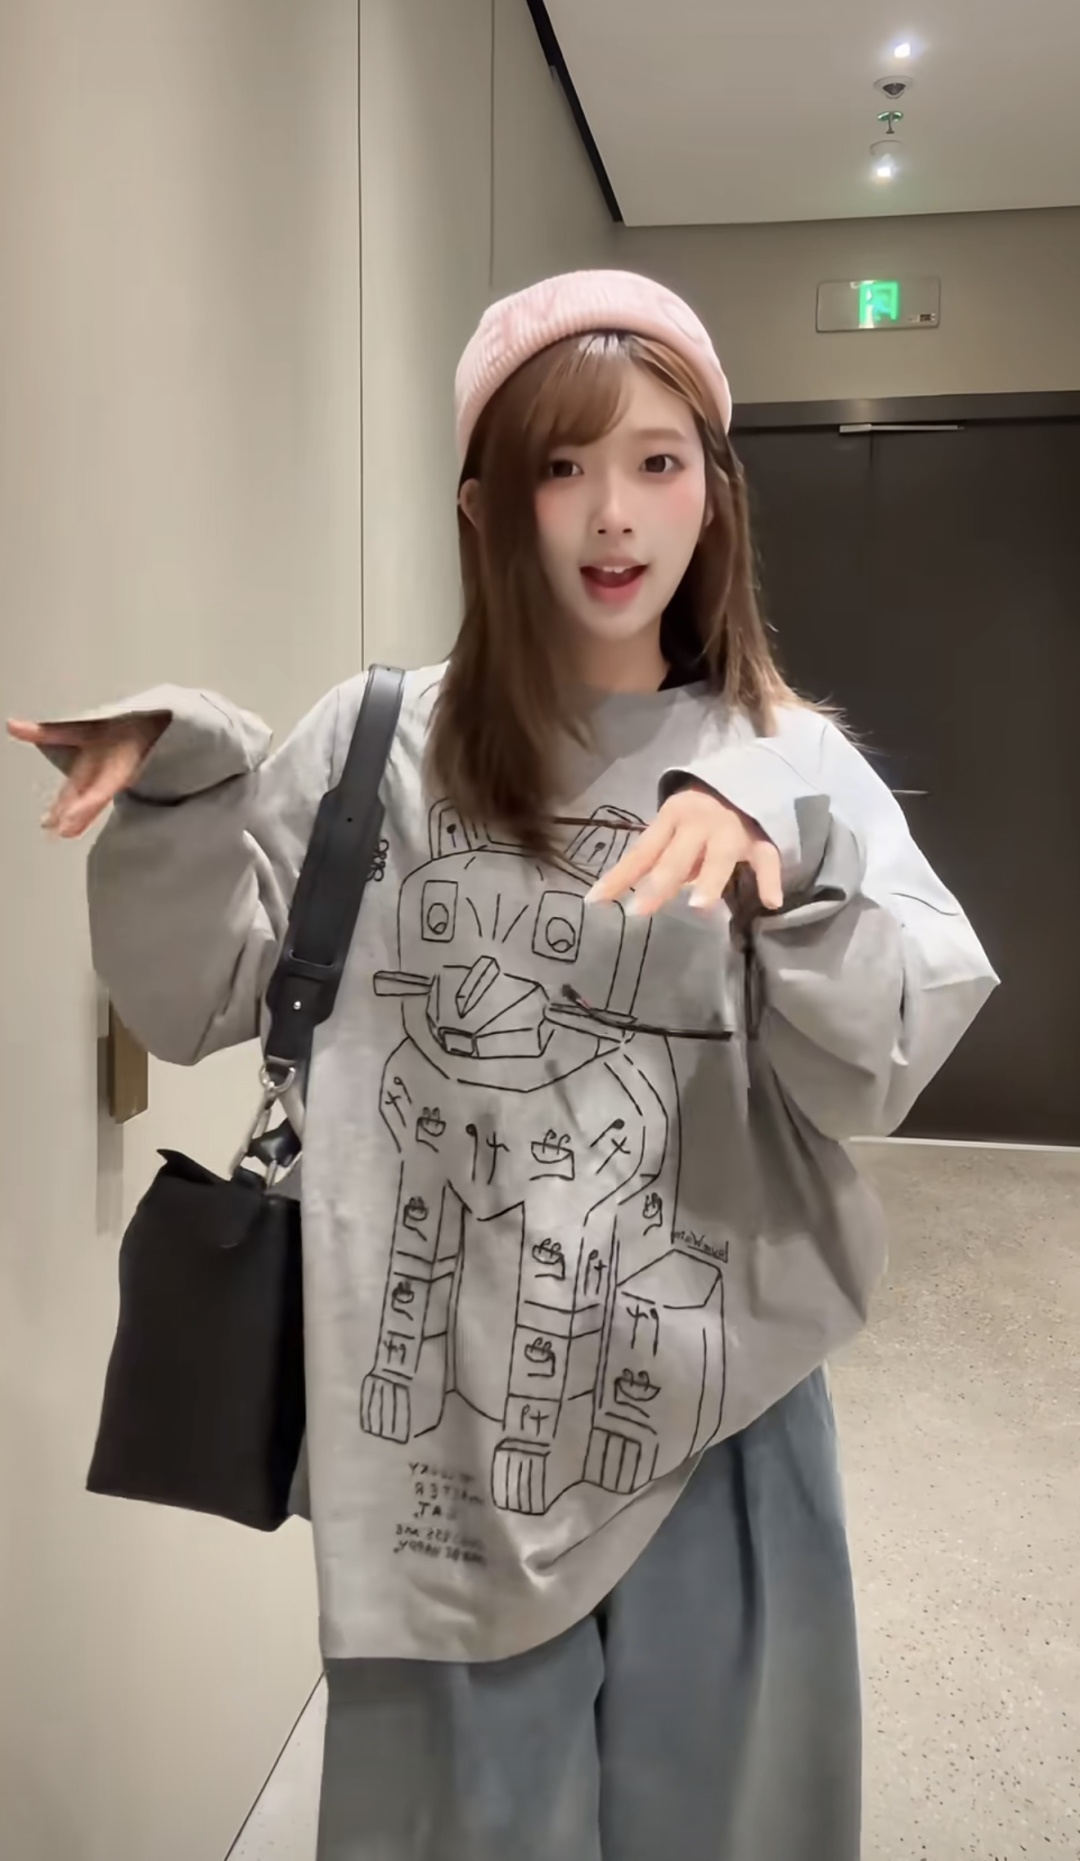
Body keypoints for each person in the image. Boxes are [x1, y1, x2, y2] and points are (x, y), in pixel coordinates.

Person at [9, 270, 998, 1861]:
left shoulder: (788, 756)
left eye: (658, 461)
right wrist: (185, 788)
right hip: (440, 1440)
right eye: (561, 465)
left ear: (714, 490)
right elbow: (196, 998)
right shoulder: (378, 745)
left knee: (731, 1822)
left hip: (720, 1411)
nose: (614, 514)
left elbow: (875, 1068)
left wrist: (793, 851)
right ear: (485, 505)